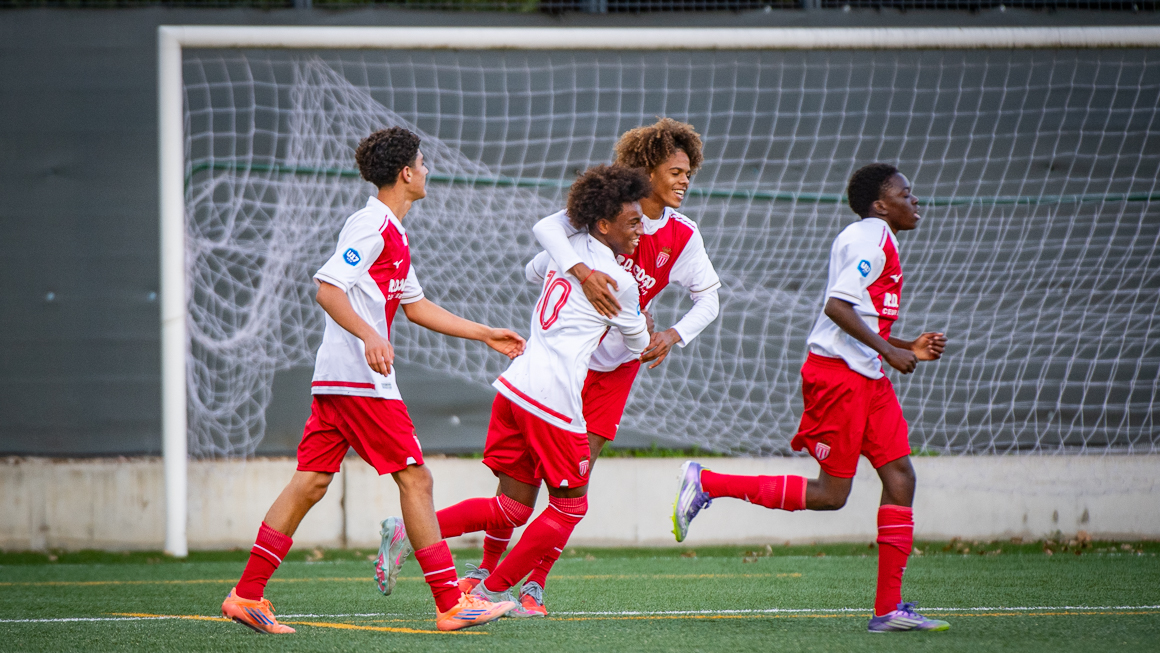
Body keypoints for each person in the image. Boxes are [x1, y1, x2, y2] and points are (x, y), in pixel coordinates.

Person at [220, 127, 523, 634]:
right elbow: (328, 288)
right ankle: (452, 602)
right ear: (406, 173)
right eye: (422, 163)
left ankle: (247, 594)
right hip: (361, 381)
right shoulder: (371, 225)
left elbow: (415, 304)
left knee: (311, 482)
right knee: (417, 479)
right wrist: (369, 336)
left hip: (338, 380)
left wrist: (483, 333)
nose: (427, 170)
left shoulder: (395, 233)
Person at [459, 118, 721, 615]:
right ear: (646, 170)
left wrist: (673, 333)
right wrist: (580, 271)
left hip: (611, 373)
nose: (686, 181)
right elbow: (540, 252)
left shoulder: (683, 236)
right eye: (676, 171)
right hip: (561, 368)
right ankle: (486, 572)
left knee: (573, 486)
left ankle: (532, 583)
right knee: (522, 483)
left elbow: (708, 298)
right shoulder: (605, 215)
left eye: (689, 172)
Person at [672, 163, 950, 633]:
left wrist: (904, 347)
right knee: (829, 495)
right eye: (906, 193)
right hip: (838, 378)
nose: (915, 200)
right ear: (881, 204)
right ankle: (707, 483)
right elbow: (836, 307)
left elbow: (859, 318)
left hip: (867, 375)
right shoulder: (870, 238)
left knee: (900, 476)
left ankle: (889, 609)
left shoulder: (878, 238)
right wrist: (890, 350)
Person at [380, 164, 652, 618]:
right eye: (632, 221)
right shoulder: (619, 282)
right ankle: (490, 591)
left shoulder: (565, 254)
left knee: (510, 508)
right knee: (569, 509)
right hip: (554, 400)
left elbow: (534, 269)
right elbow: (639, 344)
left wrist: (572, 270)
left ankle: (407, 533)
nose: (641, 229)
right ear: (604, 224)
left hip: (514, 387)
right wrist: (635, 319)